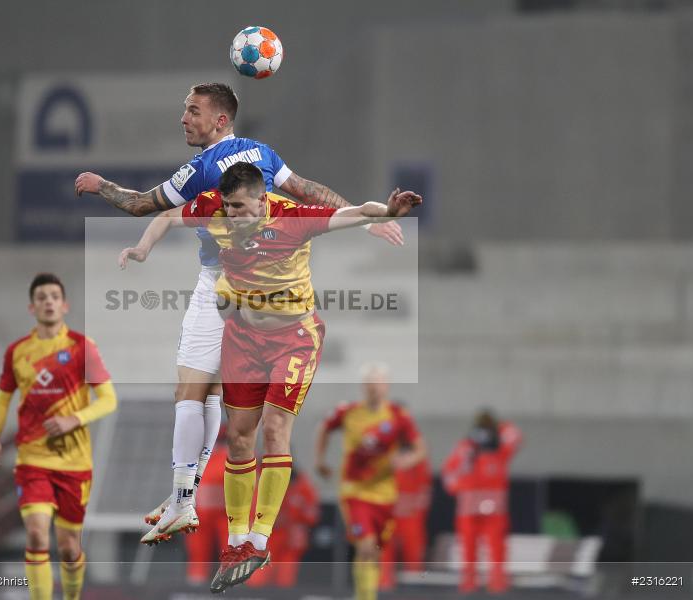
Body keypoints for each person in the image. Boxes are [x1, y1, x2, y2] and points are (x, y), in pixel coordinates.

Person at [75, 82, 403, 546]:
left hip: (223, 286)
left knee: (192, 392)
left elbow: (142, 205)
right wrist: (367, 216)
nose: (184, 118)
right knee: (218, 401)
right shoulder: (262, 154)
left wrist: (99, 185)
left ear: (219, 120)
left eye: (192, 111)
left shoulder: (200, 170)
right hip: (269, 290)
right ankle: (193, 504)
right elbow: (305, 188)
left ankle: (184, 499)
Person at [120, 162, 422, 592]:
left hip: (294, 338)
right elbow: (168, 213)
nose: (234, 216)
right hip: (243, 337)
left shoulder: (294, 218)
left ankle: (259, 540)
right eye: (228, 207)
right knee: (240, 437)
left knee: (276, 428)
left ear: (263, 201)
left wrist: (387, 212)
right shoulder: (215, 209)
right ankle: (238, 541)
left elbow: (354, 212)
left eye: (242, 207)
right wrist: (143, 247)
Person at [0, 273, 118, 600]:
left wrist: (76, 419)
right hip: (33, 461)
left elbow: (109, 399)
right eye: (41, 297)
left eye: (54, 296)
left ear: (65, 305)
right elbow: (2, 398)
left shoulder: (82, 348)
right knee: (36, 535)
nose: (48, 301)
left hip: (75, 464)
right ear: (32, 307)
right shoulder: (17, 352)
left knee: (69, 549)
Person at [315, 363, 428, 600]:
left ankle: (366, 592)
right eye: (369, 383)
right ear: (363, 386)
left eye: (378, 383)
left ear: (386, 386)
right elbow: (324, 428)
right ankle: (365, 597)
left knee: (374, 550)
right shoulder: (349, 411)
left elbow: (420, 449)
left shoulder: (398, 416)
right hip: (354, 491)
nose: (373, 388)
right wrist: (320, 460)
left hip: (385, 494)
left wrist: (406, 461)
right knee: (365, 544)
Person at [441, 409, 522, 594]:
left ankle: (498, 581)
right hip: (469, 507)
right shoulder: (465, 448)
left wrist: (495, 429)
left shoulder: (500, 448)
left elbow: (516, 435)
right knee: (468, 546)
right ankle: (469, 581)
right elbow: (449, 475)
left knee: (496, 546)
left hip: (494, 508)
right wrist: (468, 457)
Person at [245, 465, 320, 588]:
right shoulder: (260, 483)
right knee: (258, 581)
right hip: (266, 539)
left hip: (289, 541)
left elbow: (312, 516)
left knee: (285, 581)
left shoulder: (301, 486)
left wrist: (295, 515)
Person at [379, 449, 432, 589]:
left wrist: (419, 513)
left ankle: (415, 586)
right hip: (389, 516)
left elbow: (425, 489)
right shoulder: (383, 459)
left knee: (414, 552)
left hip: (411, 515)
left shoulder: (419, 462)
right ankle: (385, 583)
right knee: (384, 550)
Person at [184, 432, 229, 585]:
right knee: (198, 552)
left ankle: (231, 581)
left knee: (230, 549)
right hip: (200, 513)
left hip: (225, 514)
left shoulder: (226, 456)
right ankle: (197, 582)